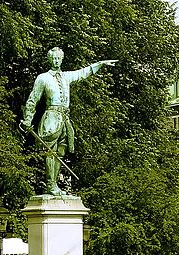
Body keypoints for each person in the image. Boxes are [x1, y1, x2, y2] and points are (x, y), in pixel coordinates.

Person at [20, 47, 117, 195]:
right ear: (49, 59)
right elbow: (32, 100)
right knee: (50, 151)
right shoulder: (43, 78)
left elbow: (83, 73)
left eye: (58, 58)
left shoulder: (66, 77)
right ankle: (50, 184)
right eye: (53, 58)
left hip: (65, 118)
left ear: (62, 59)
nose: (56, 61)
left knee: (61, 151)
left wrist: (100, 64)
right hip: (51, 118)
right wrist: (28, 119)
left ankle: (55, 184)